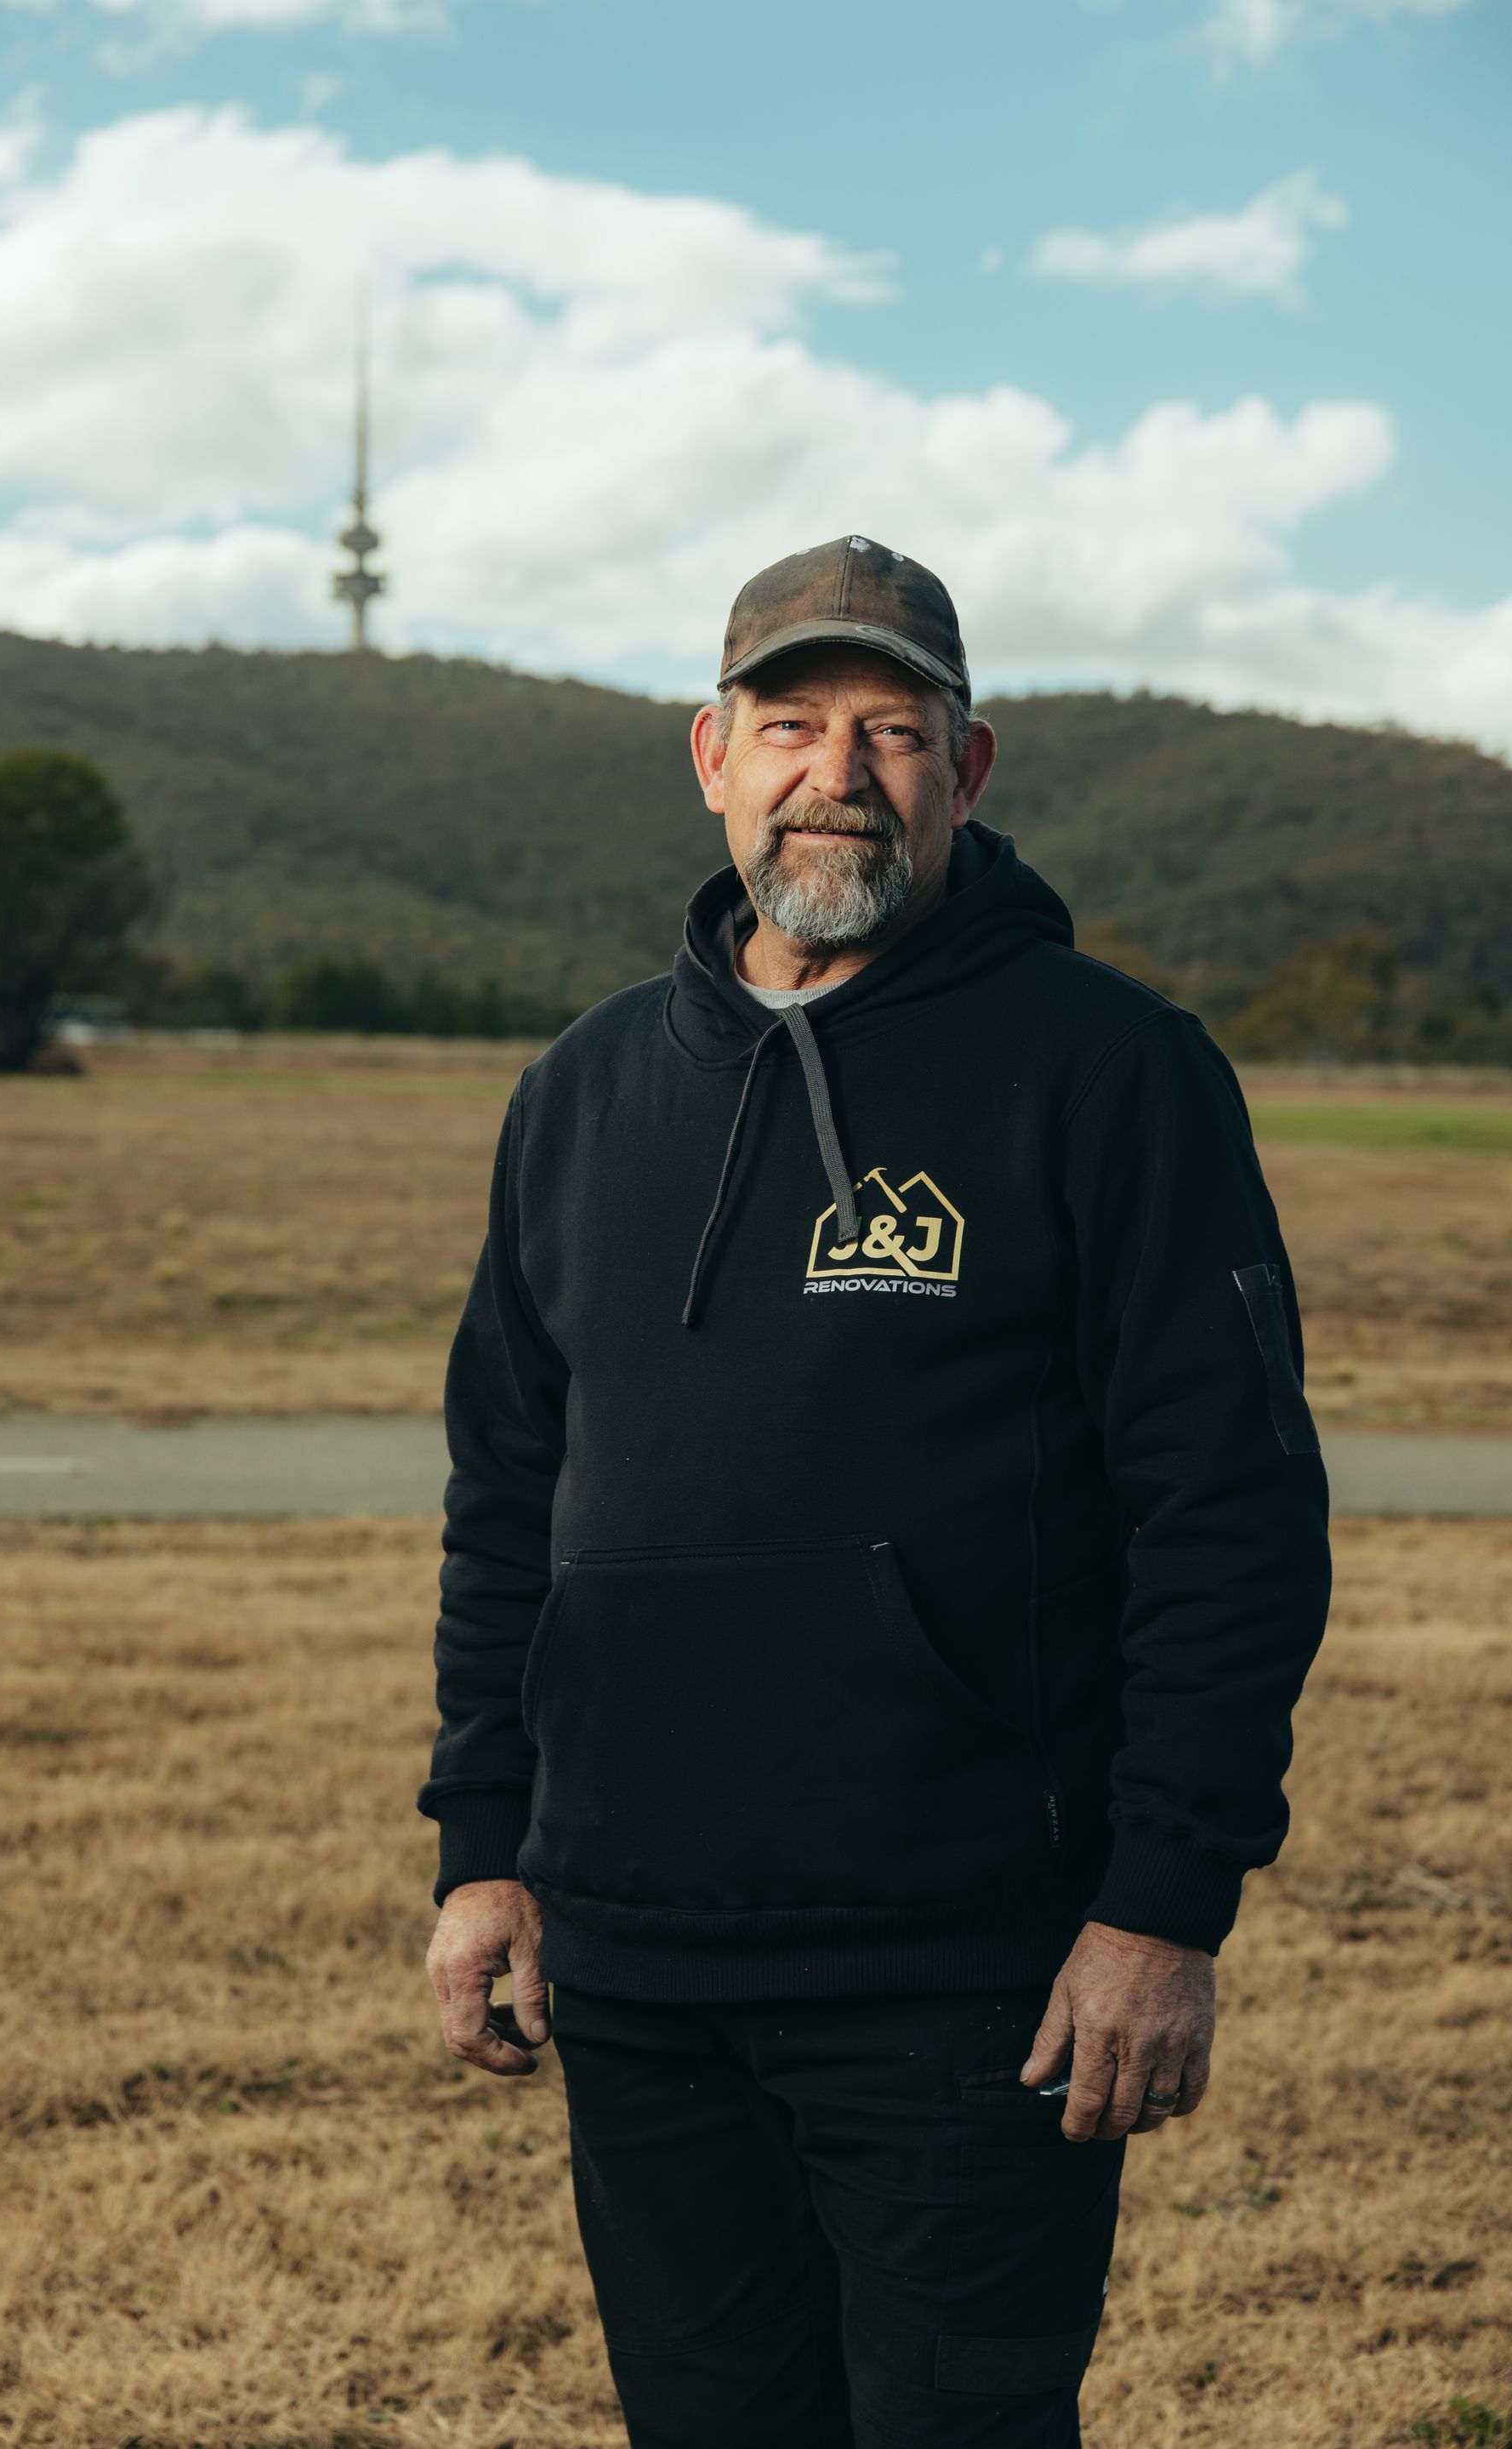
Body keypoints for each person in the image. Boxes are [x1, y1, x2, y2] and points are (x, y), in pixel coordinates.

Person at [419, 536, 1332, 2447]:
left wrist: (1164, 1903)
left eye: (894, 729)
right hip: (637, 1963)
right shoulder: (581, 1093)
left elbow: (1227, 1510)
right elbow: (509, 1498)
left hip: (966, 1973)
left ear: (968, 773)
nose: (838, 767)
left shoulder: (1113, 1071)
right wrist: (484, 1850)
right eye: (792, 723)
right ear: (710, 757)